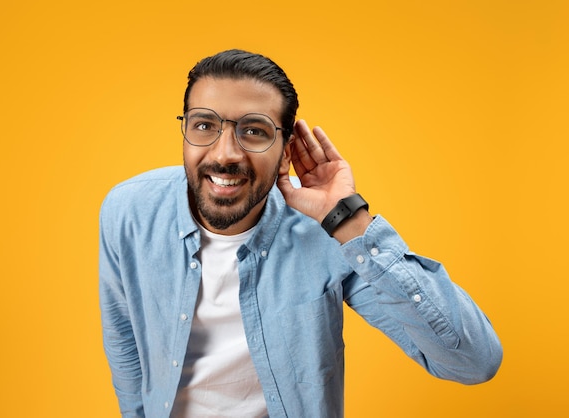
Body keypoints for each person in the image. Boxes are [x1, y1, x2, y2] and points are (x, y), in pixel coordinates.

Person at [99, 49, 502, 418]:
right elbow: (127, 352)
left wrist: (350, 223)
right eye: (204, 125)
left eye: (253, 131)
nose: (225, 154)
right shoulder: (130, 212)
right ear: (185, 130)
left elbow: (472, 361)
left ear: (286, 151)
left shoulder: (327, 236)